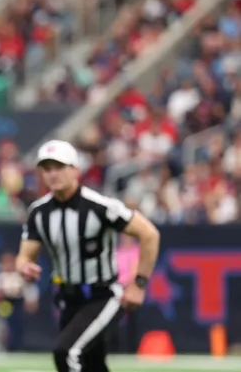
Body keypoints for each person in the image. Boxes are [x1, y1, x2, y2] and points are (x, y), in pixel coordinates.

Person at [15, 140, 160, 372]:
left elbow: (149, 234)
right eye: (47, 168)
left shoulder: (100, 206)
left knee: (67, 354)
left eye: (59, 166)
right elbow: (24, 256)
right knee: (93, 365)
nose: (52, 174)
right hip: (67, 298)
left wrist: (139, 284)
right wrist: (24, 267)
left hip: (102, 295)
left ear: (75, 170)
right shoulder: (39, 212)